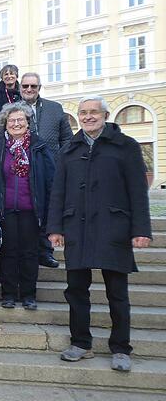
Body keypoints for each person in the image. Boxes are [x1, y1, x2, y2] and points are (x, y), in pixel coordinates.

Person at [47, 95, 151, 373]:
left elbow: (138, 192)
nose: (88, 117)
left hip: (112, 227)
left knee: (117, 292)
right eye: (83, 113)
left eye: (94, 112)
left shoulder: (125, 146)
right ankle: (81, 343)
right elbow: (58, 191)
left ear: (105, 115)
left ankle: (120, 348)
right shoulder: (69, 149)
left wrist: (141, 229)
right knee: (76, 290)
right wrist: (55, 227)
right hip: (76, 228)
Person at [0, 103, 55, 310]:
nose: (16, 124)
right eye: (11, 121)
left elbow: (50, 179)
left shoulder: (38, 146)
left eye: (21, 120)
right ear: (5, 124)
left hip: (31, 209)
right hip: (7, 209)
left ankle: (29, 294)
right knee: (8, 252)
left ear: (28, 123)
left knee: (29, 252)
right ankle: (9, 293)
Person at [20, 72, 73, 269]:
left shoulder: (54, 108)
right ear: (20, 88)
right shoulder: (12, 110)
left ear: (39, 88)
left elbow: (67, 138)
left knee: (48, 210)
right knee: (29, 212)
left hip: (49, 168)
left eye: (33, 86)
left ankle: (46, 251)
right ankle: (30, 251)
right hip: (23, 168)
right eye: (25, 86)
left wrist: (61, 161)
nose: (29, 90)